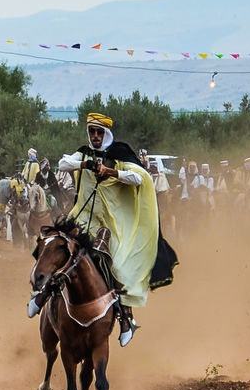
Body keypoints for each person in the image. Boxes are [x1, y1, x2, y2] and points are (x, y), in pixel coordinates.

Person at [57, 112, 178, 346]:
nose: (95, 136)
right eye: (92, 131)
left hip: (114, 224)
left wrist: (110, 171)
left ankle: (126, 318)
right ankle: (42, 296)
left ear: (106, 133)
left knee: (120, 266)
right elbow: (63, 164)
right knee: (57, 246)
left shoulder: (120, 153)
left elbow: (139, 178)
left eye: (99, 132)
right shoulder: (84, 152)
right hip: (84, 217)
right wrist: (86, 164)